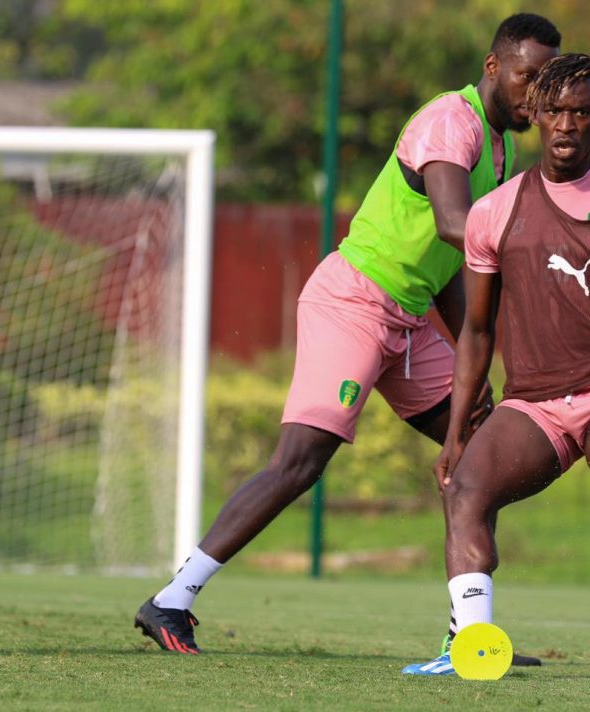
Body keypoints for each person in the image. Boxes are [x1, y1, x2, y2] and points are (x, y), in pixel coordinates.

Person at [133, 13, 561, 660]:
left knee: (479, 451)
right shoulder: (452, 122)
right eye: (528, 76)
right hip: (356, 301)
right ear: (493, 67)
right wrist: (540, 247)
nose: (537, 93)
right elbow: (453, 223)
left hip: (411, 319)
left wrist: (474, 360)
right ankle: (172, 599)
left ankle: (470, 633)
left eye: (547, 80)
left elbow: (450, 265)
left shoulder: (501, 149)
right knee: (302, 461)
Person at [401, 53, 590, 680]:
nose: (568, 125)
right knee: (466, 492)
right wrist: (459, 430)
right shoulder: (495, 211)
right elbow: (478, 330)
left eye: (583, 113)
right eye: (557, 111)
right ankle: (475, 646)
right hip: (534, 399)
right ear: (535, 113)